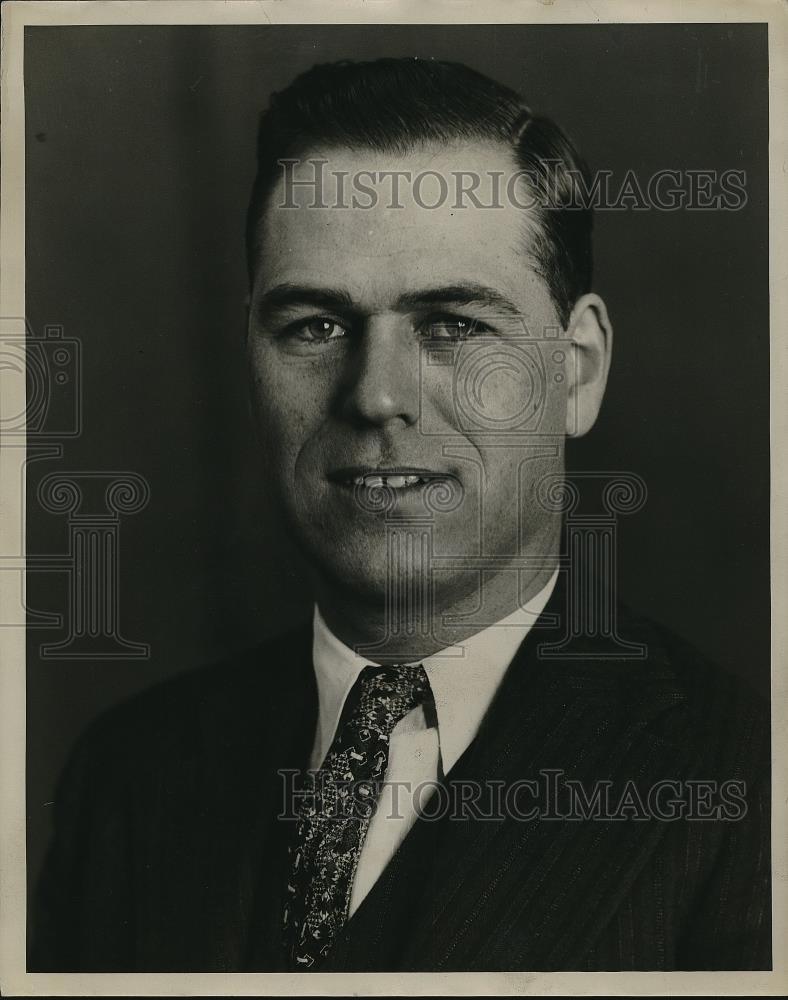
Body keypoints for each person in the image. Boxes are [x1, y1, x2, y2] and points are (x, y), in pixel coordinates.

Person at [30, 57, 770, 973]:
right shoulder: (127, 777)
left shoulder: (748, 789)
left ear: (577, 370)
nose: (377, 395)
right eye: (315, 326)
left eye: (453, 325)